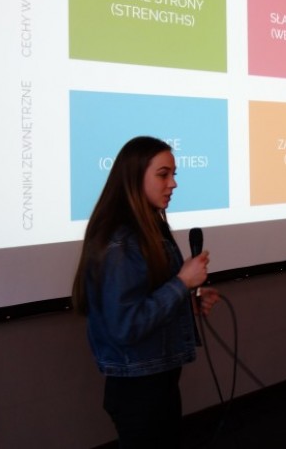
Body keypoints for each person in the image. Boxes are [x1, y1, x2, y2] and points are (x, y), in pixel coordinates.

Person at [72, 136, 220, 448]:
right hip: (138, 389)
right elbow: (126, 325)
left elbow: (146, 301)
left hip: (157, 378)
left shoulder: (149, 227)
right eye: (163, 174)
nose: (173, 184)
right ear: (134, 177)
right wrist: (181, 283)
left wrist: (187, 304)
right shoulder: (121, 241)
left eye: (174, 174)